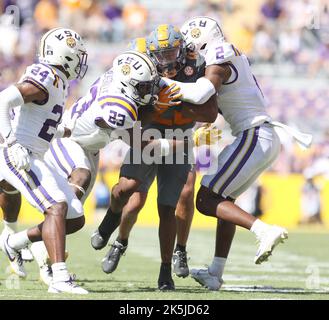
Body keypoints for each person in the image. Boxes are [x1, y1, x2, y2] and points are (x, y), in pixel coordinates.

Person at [163, 16, 311, 290]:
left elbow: (201, 93)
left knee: (206, 200)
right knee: (222, 199)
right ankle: (215, 272)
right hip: (260, 136)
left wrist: (163, 85)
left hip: (253, 134)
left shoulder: (220, 56)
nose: (188, 51)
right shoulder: (228, 53)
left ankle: (263, 230)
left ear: (201, 40)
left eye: (190, 45)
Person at [91, 25, 219, 291]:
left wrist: (177, 99)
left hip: (181, 134)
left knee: (172, 202)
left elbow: (209, 114)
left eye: (172, 52)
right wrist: (153, 104)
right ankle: (117, 235)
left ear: (183, 48)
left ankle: (167, 266)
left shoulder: (197, 63)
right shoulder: (139, 58)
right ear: (150, 53)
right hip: (149, 130)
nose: (167, 60)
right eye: (161, 54)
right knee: (130, 194)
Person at [28, 50, 162, 285]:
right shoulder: (118, 104)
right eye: (142, 86)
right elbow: (139, 142)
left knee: (72, 218)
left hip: (88, 147)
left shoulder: (116, 80)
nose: (147, 91)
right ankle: (34, 253)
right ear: (128, 84)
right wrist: (182, 143)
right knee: (74, 195)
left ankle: (34, 252)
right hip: (69, 140)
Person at [0, 28, 89, 294]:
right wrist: (11, 143)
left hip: (35, 153)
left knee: (74, 217)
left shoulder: (58, 80)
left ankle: (14, 242)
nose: (80, 60)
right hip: (19, 153)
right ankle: (60, 279)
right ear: (65, 55)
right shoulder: (46, 75)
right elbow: (2, 100)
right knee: (56, 206)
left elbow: (37, 117)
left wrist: (61, 130)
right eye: (76, 55)